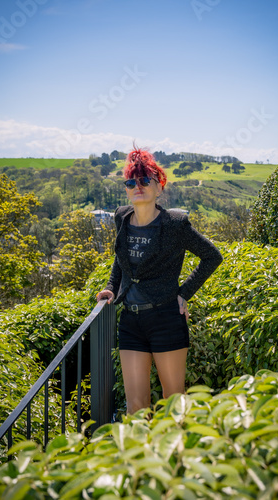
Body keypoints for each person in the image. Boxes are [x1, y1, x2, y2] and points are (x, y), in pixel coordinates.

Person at [96, 147, 223, 414]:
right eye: (131, 182)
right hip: (130, 322)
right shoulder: (121, 218)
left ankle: (176, 455)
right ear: (126, 189)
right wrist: (110, 287)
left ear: (159, 187)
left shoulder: (174, 224)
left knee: (173, 400)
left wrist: (184, 292)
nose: (137, 187)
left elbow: (212, 256)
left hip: (166, 318)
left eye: (144, 181)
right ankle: (138, 456)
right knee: (136, 406)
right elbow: (121, 259)